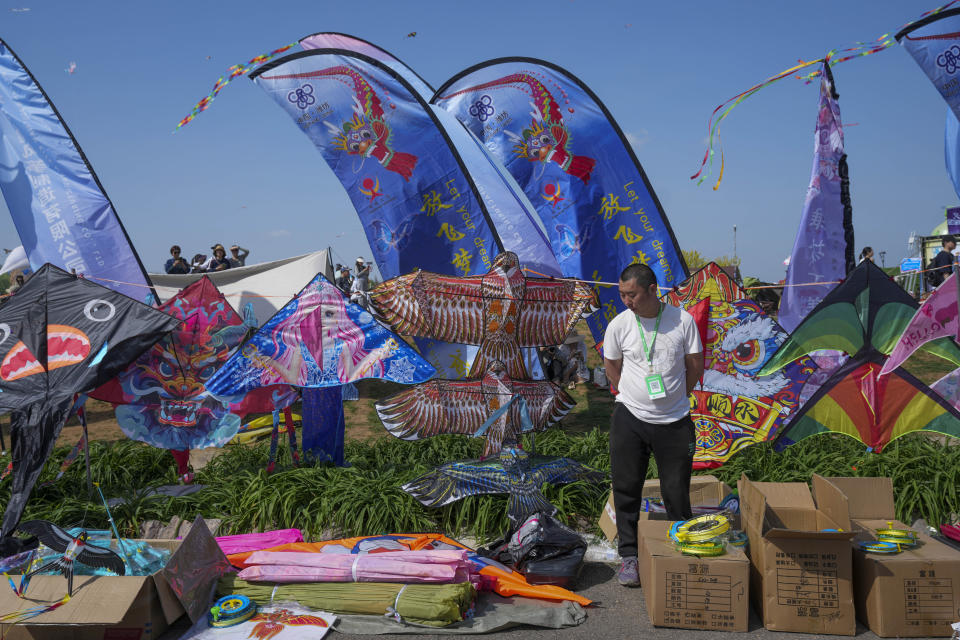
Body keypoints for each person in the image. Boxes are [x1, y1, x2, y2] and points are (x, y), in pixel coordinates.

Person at [603, 263, 704, 588]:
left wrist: (675, 398)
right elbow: (610, 365)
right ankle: (629, 556)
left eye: (631, 294)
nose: (626, 301)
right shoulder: (619, 325)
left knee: (676, 490)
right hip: (629, 418)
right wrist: (630, 395)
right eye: (622, 295)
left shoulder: (682, 321)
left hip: (674, 421)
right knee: (626, 488)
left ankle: (682, 547)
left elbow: (694, 365)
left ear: (651, 290)